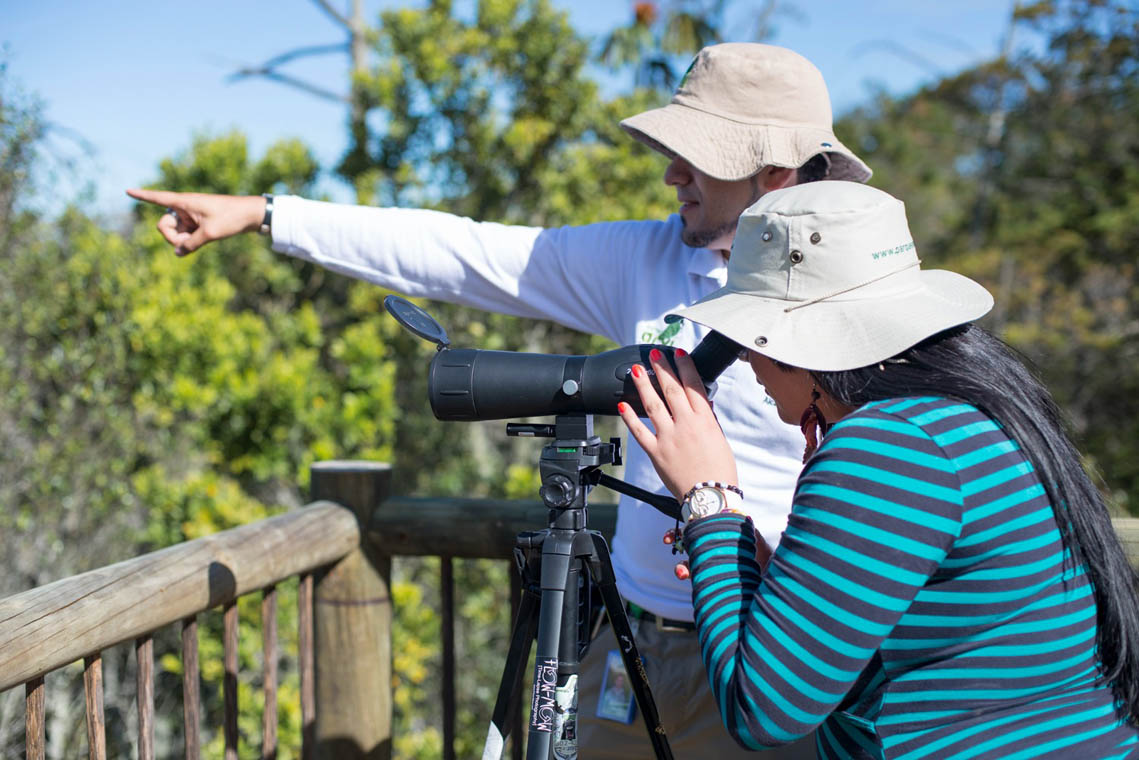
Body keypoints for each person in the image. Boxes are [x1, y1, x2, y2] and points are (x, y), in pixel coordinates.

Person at [128, 43, 872, 758]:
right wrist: (268, 214)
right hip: (629, 644)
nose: (671, 173)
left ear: (772, 172)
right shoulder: (647, 258)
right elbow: (466, 252)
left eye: (697, 156)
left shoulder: (860, 300)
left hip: (762, 657)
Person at [618, 181, 1139, 758]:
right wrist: (768, 573)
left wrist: (709, 497)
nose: (743, 357)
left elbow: (761, 711)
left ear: (796, 340)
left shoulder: (888, 446)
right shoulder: (972, 410)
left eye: (748, 335)